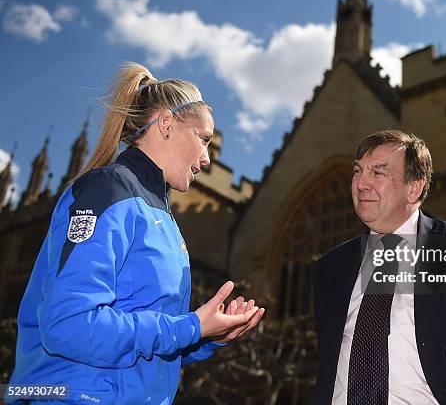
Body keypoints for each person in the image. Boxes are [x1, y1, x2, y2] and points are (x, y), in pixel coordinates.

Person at [7, 62, 265, 404]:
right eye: (203, 140)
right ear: (166, 123)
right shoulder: (107, 191)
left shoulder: (165, 220)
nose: (206, 159)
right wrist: (190, 327)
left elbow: (146, 348)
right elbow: (69, 326)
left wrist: (209, 334)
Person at [313, 130, 446, 405]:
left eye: (378, 173)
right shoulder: (330, 267)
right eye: (357, 171)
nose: (361, 184)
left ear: (414, 188)